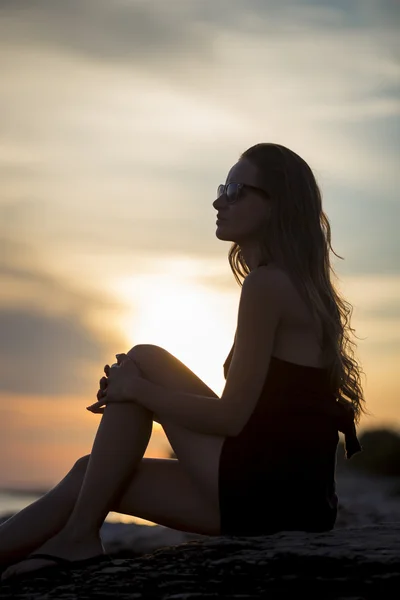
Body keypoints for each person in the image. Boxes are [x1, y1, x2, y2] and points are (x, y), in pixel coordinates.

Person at [0, 142, 367, 581]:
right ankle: (79, 535)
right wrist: (137, 391)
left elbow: (231, 417)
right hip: (291, 498)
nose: (219, 200)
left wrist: (138, 392)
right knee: (91, 473)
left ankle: (79, 538)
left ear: (276, 206)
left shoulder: (268, 286)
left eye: (235, 190)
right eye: (222, 188)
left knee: (142, 366)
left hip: (269, 494)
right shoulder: (291, 284)